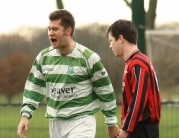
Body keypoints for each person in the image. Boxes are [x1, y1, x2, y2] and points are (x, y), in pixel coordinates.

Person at [17, 9, 120, 138]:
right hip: (55, 123)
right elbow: (34, 87)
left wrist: (111, 123)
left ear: (68, 31)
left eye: (55, 29)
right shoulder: (43, 57)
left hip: (82, 121)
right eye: (49, 29)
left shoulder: (89, 58)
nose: (50, 33)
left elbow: (105, 91)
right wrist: (25, 115)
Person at [106, 19, 161, 138]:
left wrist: (125, 130)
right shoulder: (133, 62)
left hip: (142, 129)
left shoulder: (137, 63)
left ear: (120, 38)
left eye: (111, 41)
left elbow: (138, 100)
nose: (110, 46)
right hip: (138, 128)